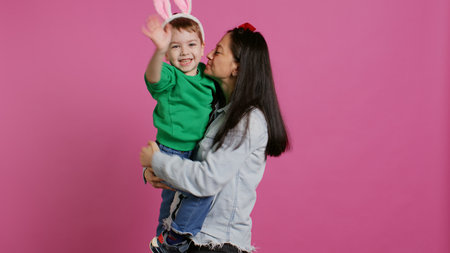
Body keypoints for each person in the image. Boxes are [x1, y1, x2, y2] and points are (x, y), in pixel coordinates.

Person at [140, 23, 289, 253]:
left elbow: (207, 180)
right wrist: (154, 171)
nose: (208, 54)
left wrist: (158, 161)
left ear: (237, 68)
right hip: (190, 240)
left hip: (216, 243)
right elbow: (186, 158)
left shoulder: (247, 121)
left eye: (218, 51)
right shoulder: (217, 109)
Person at [141, 4, 217, 253]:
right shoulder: (170, 76)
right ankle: (165, 242)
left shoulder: (208, 77)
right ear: (167, 55)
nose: (184, 52)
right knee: (172, 204)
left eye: (191, 44)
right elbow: (153, 77)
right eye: (175, 46)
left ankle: (173, 240)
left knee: (199, 195)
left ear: (203, 47)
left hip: (199, 150)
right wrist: (158, 50)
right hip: (172, 150)